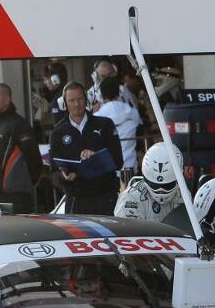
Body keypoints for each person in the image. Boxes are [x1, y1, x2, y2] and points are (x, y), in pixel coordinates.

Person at [49, 82, 123, 215]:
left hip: (106, 197)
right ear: (64, 104)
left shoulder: (105, 124)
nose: (76, 104)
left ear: (86, 99)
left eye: (80, 99)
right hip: (76, 200)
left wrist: (97, 157)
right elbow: (54, 173)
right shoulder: (57, 133)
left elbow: (118, 161)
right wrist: (63, 176)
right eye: (71, 100)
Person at [0, 83, 44, 214]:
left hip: (17, 197)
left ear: (7, 100)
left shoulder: (19, 125)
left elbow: (34, 160)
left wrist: (21, 184)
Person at [114, 142, 182, 222]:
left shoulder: (184, 196)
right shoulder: (131, 199)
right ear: (145, 177)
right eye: (154, 185)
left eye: (167, 185)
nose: (160, 190)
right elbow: (127, 230)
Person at [94, 76, 142, 174]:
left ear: (101, 95)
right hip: (130, 167)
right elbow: (140, 127)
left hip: (108, 170)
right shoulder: (132, 112)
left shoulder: (97, 117)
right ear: (119, 92)